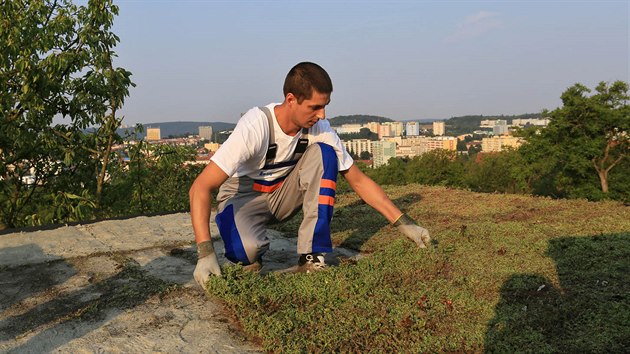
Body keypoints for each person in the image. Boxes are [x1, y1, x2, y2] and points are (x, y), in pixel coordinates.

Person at [189, 62, 431, 288]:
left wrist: (404, 224)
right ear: (291, 99)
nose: (322, 115)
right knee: (246, 252)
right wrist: (205, 253)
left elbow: (357, 180)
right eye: (315, 107)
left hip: (283, 195)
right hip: (244, 197)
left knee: (326, 154)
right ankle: (251, 252)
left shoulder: (319, 129)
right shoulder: (256, 126)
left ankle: (312, 258)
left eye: (325, 106)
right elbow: (200, 187)